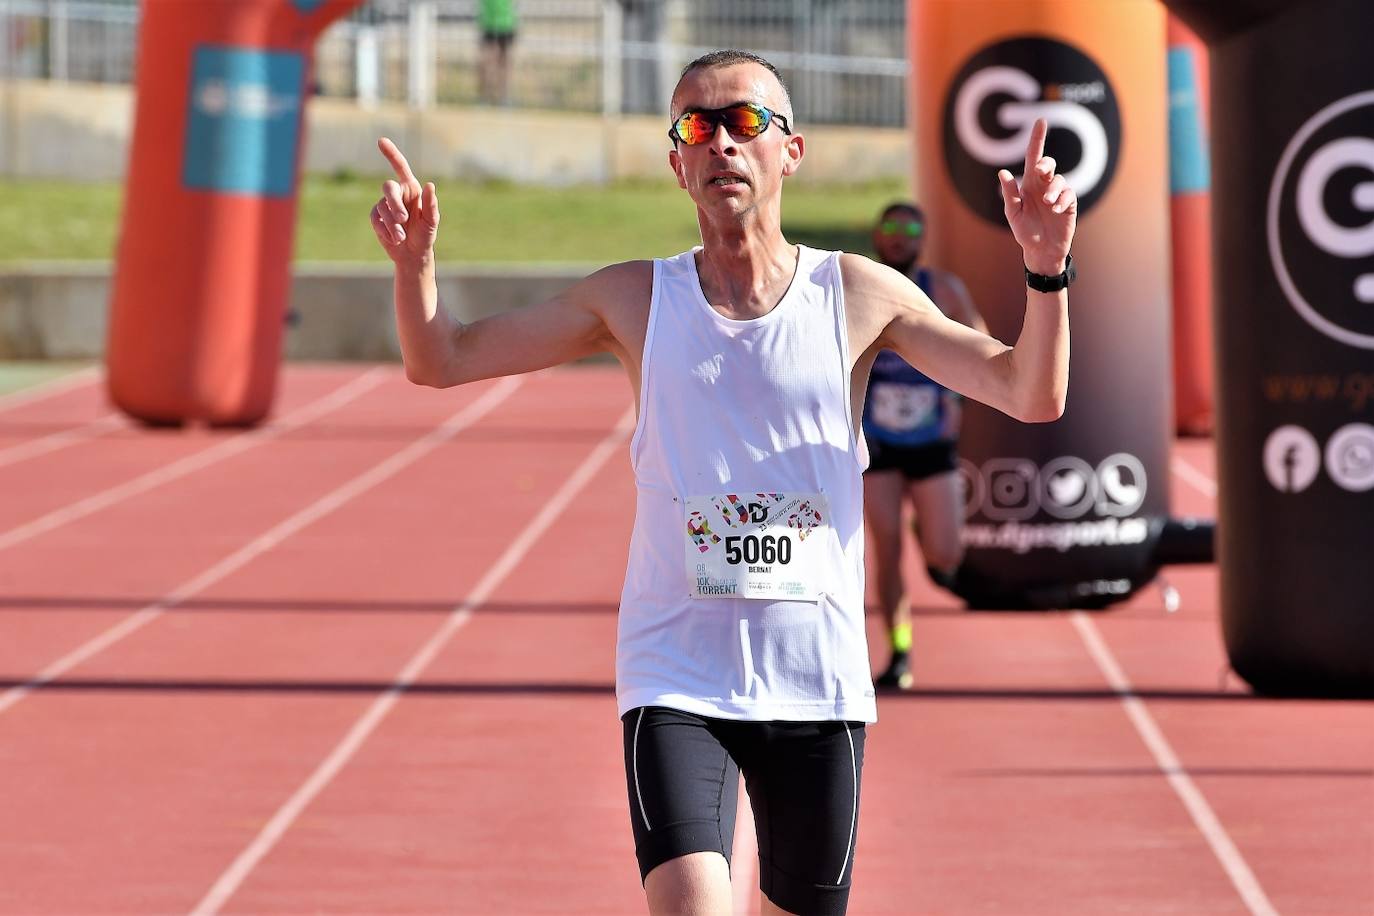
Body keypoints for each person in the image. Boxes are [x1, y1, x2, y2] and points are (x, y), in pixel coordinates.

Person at [370, 49, 1075, 916]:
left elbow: (1029, 391)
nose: (721, 145)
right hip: (676, 675)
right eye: (696, 128)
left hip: (815, 681)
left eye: (745, 123)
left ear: (792, 150)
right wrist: (414, 269)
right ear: (677, 162)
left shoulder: (855, 295)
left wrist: (1046, 273)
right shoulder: (634, 300)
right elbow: (443, 359)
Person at [863, 202, 988, 690]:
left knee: (945, 553)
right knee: (885, 547)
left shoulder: (944, 290)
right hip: (877, 441)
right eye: (890, 227)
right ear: (878, 236)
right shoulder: (861, 287)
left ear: (923, 238)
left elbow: (980, 344)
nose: (898, 237)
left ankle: (927, 528)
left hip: (932, 439)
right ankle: (899, 649)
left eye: (909, 228)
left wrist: (955, 396)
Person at [477, 0, 517, 105]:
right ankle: (484, 97)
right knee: (486, 63)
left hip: (507, 23)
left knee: (505, 64)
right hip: (488, 24)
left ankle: (504, 97)